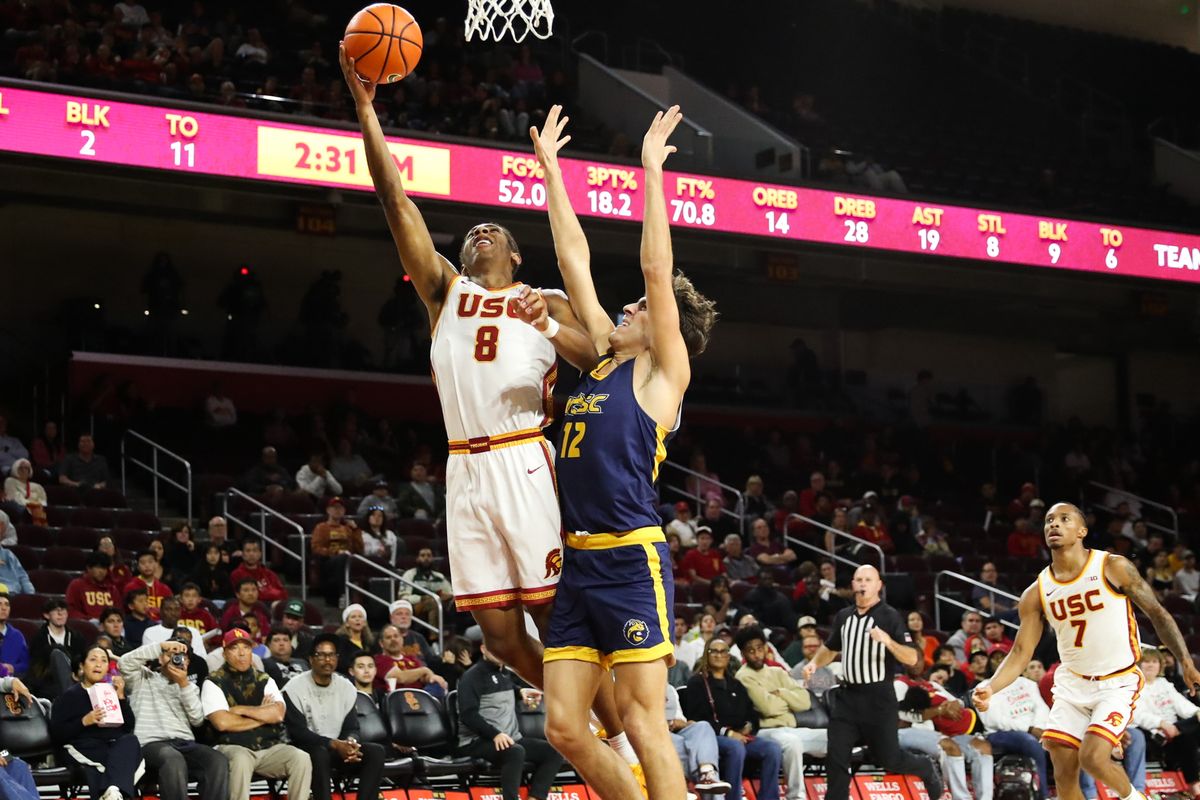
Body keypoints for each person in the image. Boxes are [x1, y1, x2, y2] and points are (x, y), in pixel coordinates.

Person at [339, 43, 598, 706]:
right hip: (463, 469)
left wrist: (545, 323)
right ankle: (589, 718)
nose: (480, 234)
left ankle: (620, 735)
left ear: (515, 253)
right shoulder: (444, 292)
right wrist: (367, 110)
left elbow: (593, 358)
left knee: (552, 619)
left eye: (493, 231)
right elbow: (395, 200)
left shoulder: (546, 298)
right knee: (499, 637)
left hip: (522, 460)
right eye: (472, 233)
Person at [528, 104, 718, 800]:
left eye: (639, 307)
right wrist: (551, 171)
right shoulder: (608, 356)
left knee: (643, 720)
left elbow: (657, 270)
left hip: (631, 558)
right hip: (580, 562)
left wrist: (649, 173)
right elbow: (572, 256)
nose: (629, 309)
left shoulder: (663, 371)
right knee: (564, 728)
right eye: (630, 307)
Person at [973, 502, 1200, 800]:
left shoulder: (1112, 566)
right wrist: (991, 687)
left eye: (1064, 519)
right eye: (1049, 520)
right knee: (1064, 773)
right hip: (1072, 684)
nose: (1054, 524)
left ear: (1082, 531)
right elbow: (1019, 653)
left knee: (1092, 757)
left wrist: (1185, 660)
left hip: (1116, 681)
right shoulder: (1036, 592)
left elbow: (1157, 613)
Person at [802, 565, 943, 800]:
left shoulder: (889, 616)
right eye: (859, 579)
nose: (863, 584)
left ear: (879, 585)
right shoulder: (844, 617)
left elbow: (912, 659)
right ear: (853, 585)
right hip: (847, 698)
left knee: (889, 759)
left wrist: (888, 641)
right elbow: (831, 647)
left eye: (868, 579)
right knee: (836, 756)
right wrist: (815, 663)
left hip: (878, 698)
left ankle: (925, 767)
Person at [202, 628, 312, 800]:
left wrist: (240, 710)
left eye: (246, 648)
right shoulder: (213, 681)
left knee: (301, 758)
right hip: (231, 746)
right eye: (234, 648)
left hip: (268, 748)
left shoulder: (265, 679)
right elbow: (222, 722)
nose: (241, 653)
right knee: (241, 759)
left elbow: (277, 714)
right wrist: (261, 715)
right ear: (224, 653)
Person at [117, 634, 228, 800]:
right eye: (170, 655)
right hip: (150, 744)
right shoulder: (143, 678)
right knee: (173, 759)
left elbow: (197, 720)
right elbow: (124, 663)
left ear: (188, 663)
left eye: (181, 657)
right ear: (160, 658)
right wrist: (162, 645)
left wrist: (183, 685)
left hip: (184, 743)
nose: (175, 660)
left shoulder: (190, 688)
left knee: (217, 760)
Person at [283, 634, 386, 800]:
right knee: (319, 753)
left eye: (332, 655)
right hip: (306, 750)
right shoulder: (294, 688)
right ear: (311, 659)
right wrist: (334, 744)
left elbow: (352, 727)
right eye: (321, 655)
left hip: (337, 749)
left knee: (376, 752)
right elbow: (298, 733)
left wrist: (351, 744)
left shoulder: (346, 686)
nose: (327, 660)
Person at [456, 644, 565, 800]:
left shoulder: (504, 673)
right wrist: (495, 734)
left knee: (554, 751)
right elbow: (468, 715)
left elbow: (506, 686)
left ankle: (536, 797)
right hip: (477, 741)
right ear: (483, 649)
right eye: (493, 647)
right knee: (515, 752)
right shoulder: (471, 677)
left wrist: (521, 692)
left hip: (509, 738)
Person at [682, 638, 783, 800]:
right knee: (735, 747)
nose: (719, 655)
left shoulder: (736, 684)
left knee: (772, 748)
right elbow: (698, 720)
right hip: (714, 737)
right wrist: (728, 733)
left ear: (729, 656)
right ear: (706, 655)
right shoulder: (697, 682)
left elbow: (752, 714)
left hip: (741, 736)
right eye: (714, 651)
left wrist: (748, 726)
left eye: (723, 651)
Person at [734, 626, 828, 800]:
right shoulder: (743, 676)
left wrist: (781, 693)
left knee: (836, 738)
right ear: (743, 654)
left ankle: (840, 792)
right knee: (792, 743)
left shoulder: (777, 672)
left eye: (760, 649)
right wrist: (789, 701)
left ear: (766, 648)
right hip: (766, 731)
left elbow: (805, 702)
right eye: (751, 651)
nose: (756, 654)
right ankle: (796, 797)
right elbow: (768, 708)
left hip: (792, 727)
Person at [50, 646, 141, 800]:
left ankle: (111, 791)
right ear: (82, 666)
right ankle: (114, 792)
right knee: (118, 762)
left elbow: (128, 726)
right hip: (84, 745)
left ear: (107, 668)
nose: (98, 664)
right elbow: (57, 734)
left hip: (114, 744)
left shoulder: (112, 692)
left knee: (131, 741)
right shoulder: (69, 696)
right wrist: (84, 721)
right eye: (93, 659)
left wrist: (120, 697)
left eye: (104, 661)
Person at [1131, 648, 1197, 795]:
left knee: (1192, 727)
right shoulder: (1133, 685)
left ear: (1160, 665)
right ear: (1139, 665)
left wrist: (1197, 712)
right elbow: (1137, 715)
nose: (1150, 665)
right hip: (1151, 732)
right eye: (1146, 662)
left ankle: (1179, 729)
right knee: (1186, 740)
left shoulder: (1164, 683)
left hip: (1174, 729)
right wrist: (1162, 724)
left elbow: (1184, 707)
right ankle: (1195, 788)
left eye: (1154, 662)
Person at [664, 683, 732, 794]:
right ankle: (705, 777)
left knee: (702, 726)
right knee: (689, 749)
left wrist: (676, 723)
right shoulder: (635, 686)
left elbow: (680, 720)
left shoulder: (669, 689)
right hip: (656, 736)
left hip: (673, 731)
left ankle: (707, 772)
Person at [310, 497, 363, 606]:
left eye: (340, 508)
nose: (337, 510)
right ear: (328, 510)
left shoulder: (348, 528)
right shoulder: (321, 527)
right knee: (342, 558)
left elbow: (359, 549)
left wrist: (356, 530)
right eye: (334, 508)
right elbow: (316, 548)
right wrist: (335, 552)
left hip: (347, 559)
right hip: (328, 561)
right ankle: (343, 594)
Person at [29, 597, 85, 699]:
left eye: (63, 610)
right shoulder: (39, 638)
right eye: (55, 610)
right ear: (46, 615)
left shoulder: (77, 637)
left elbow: (82, 661)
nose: (60, 614)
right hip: (47, 683)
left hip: (75, 680)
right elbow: (36, 667)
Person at [399, 547, 453, 628]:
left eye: (429, 555)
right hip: (417, 605)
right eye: (423, 555)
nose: (426, 558)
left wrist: (447, 596)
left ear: (433, 559)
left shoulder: (439, 576)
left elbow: (450, 593)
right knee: (433, 602)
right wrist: (422, 598)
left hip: (438, 601)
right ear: (417, 559)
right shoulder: (409, 575)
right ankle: (434, 637)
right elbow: (403, 597)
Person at [229, 539, 288, 603]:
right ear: (243, 555)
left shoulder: (269, 573)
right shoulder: (236, 574)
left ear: (260, 554)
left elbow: (284, 594)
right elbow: (247, 597)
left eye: (254, 551)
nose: (251, 554)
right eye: (248, 551)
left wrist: (266, 594)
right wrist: (271, 593)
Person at [123, 550, 173, 620]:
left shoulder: (165, 589)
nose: (147, 565)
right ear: (137, 566)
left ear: (156, 564)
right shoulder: (130, 588)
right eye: (143, 563)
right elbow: (126, 612)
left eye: (150, 562)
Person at [67, 552, 118, 622]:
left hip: (109, 625)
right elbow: (71, 610)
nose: (101, 571)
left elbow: (119, 611)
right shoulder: (77, 585)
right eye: (98, 567)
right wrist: (89, 620)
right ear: (88, 568)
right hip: (86, 624)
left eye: (104, 568)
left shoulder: (112, 588)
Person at [0, 594, 28, 677]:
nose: (4, 608)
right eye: (0, 604)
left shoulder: (17, 636)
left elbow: (26, 664)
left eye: (7, 605)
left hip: (11, 683)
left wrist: (13, 668)